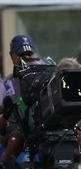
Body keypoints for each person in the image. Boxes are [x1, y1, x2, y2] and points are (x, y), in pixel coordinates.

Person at [0, 35, 37, 168]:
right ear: (12, 55)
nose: (25, 59)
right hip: (16, 129)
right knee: (16, 138)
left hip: (41, 128)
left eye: (29, 54)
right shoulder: (6, 84)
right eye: (21, 54)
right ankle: (3, 162)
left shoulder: (44, 80)